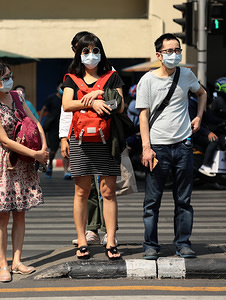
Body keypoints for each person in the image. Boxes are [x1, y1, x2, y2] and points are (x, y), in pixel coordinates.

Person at [136, 33, 207, 260]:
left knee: (184, 201)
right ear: (159, 55)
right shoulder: (147, 80)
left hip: (183, 145)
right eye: (169, 51)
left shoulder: (186, 74)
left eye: (177, 50)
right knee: (152, 201)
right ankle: (150, 246)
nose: (174, 54)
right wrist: (146, 148)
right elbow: (144, 116)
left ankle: (183, 244)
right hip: (158, 148)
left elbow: (202, 93)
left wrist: (198, 118)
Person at [0, 61, 48, 282]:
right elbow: (4, 140)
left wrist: (43, 148)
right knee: (3, 215)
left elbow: (35, 122)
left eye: (10, 75)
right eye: (5, 77)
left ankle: (17, 261)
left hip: (24, 161)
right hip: (4, 162)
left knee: (20, 212)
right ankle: (3, 264)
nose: (9, 79)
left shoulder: (17, 97)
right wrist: (35, 154)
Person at [62, 33, 124, 260]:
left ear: (101, 52)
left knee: (108, 192)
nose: (91, 55)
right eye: (86, 51)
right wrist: (93, 100)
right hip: (80, 142)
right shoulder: (71, 78)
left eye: (95, 50)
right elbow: (67, 104)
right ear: (78, 54)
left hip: (107, 141)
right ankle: (81, 239)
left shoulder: (112, 76)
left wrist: (100, 96)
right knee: (81, 192)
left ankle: (110, 240)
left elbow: (119, 106)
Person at [193, 77, 226, 176]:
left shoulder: (197, 104)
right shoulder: (191, 103)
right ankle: (205, 165)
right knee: (215, 140)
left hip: (205, 130)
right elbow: (194, 124)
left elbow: (208, 118)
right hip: (196, 133)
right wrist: (208, 133)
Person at [39, 82, 70, 179]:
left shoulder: (69, 98)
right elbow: (43, 108)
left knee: (66, 151)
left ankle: (66, 172)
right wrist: (39, 122)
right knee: (52, 151)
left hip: (66, 127)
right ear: (57, 88)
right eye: (61, 87)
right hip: (53, 127)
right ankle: (50, 164)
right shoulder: (51, 98)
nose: (62, 89)